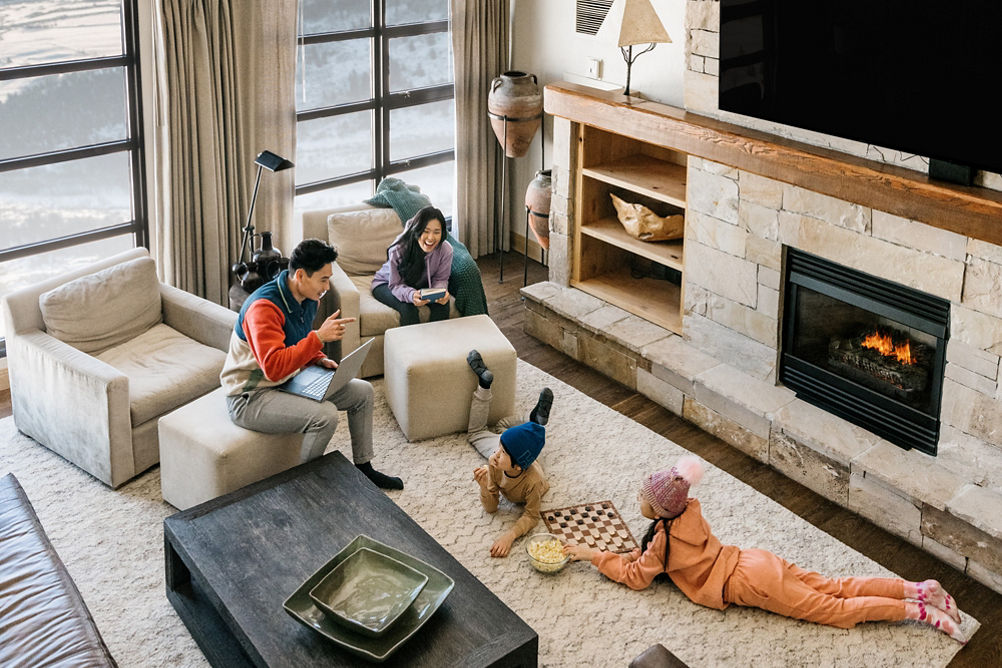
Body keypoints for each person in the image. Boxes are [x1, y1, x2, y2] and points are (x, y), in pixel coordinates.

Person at [564, 455, 966, 643]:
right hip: (754, 559)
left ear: (658, 509)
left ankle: (917, 612)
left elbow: (637, 576)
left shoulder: (665, 541)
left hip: (749, 582)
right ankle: (917, 588)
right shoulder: (687, 514)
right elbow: (650, 553)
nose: (638, 497)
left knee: (834, 611)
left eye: (643, 496)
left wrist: (594, 556)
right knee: (834, 585)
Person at [220, 238, 403, 490]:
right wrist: (318, 338)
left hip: (287, 381)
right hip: (250, 395)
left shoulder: (308, 298)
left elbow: (294, 343)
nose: (327, 287)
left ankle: (364, 468)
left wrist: (318, 358)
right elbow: (273, 366)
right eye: (323, 280)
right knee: (325, 417)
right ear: (300, 276)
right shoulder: (263, 309)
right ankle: (304, 487)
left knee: (363, 392)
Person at [466, 349, 554, 558]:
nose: (495, 455)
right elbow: (491, 506)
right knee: (502, 426)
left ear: (517, 466)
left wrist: (510, 535)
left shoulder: (533, 483)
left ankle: (484, 386)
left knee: (475, 433)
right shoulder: (496, 461)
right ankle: (535, 423)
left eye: (501, 453)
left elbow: (532, 516)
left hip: (522, 454)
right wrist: (485, 486)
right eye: (498, 450)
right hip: (513, 445)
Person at [371, 205, 453, 327]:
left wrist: (440, 292)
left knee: (443, 304)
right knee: (408, 309)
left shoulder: (446, 250)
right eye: (426, 231)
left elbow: (441, 279)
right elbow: (395, 284)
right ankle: (413, 345)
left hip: (418, 285)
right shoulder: (398, 249)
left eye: (437, 232)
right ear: (417, 230)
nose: (431, 238)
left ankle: (437, 344)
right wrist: (410, 295)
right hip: (386, 284)